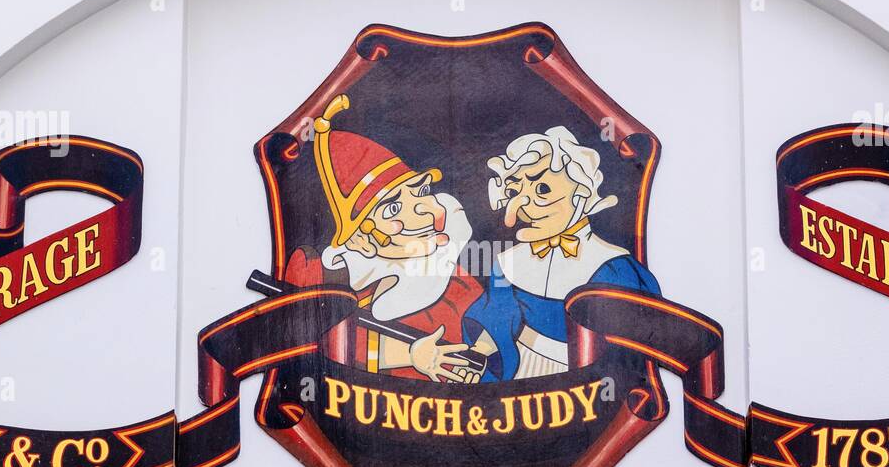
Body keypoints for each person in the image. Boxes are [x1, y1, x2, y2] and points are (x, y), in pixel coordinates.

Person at [282, 95, 483, 383]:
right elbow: (309, 348)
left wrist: (476, 371)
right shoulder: (319, 278)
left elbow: (482, 354)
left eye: (421, 193)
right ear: (360, 240)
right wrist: (409, 356)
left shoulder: (457, 287)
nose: (424, 213)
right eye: (393, 208)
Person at [464, 125, 659, 380]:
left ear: (580, 192)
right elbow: (497, 319)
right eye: (514, 192)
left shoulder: (615, 268)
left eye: (542, 190)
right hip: (518, 372)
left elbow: (634, 346)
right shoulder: (508, 263)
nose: (523, 206)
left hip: (585, 381)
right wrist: (478, 355)